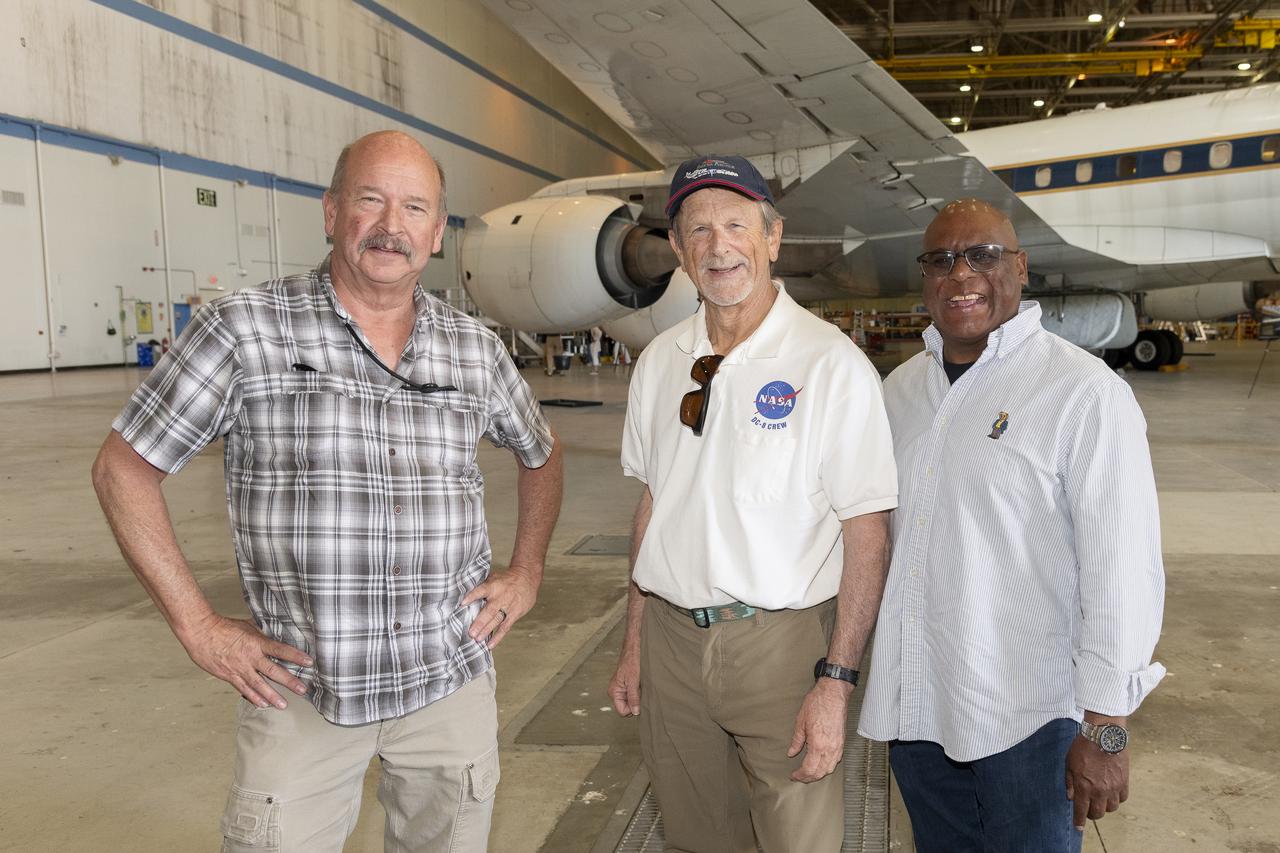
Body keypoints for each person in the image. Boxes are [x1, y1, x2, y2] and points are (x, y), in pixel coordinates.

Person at [91, 130, 563, 853]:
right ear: (332, 210)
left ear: (437, 234)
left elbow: (542, 454)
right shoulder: (246, 331)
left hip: (449, 681)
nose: (390, 225)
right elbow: (124, 468)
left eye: (414, 208)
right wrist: (199, 626)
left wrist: (526, 571)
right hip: (302, 690)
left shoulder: (475, 350)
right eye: (370, 199)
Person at [608, 155, 898, 852]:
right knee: (696, 833)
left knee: (796, 839)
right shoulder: (660, 360)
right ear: (677, 251)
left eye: (736, 224)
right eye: (698, 230)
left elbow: (868, 533)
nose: (718, 245)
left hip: (782, 647)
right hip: (672, 645)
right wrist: (634, 640)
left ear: (772, 238)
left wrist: (835, 682)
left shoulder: (829, 365)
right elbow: (655, 503)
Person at [858, 199, 1166, 853]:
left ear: (1021, 269)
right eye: (941, 260)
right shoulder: (901, 392)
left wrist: (1107, 727)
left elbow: (1122, 568)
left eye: (983, 255)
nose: (961, 273)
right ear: (925, 279)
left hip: (1030, 726)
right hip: (922, 712)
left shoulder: (1083, 393)